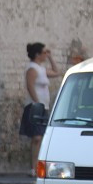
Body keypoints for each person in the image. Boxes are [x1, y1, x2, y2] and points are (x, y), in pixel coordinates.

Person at [19, 42, 60, 175]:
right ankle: (33, 167)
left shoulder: (41, 69)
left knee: (41, 137)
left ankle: (38, 166)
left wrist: (50, 57)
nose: (45, 55)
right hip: (34, 106)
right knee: (36, 137)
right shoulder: (32, 69)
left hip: (44, 106)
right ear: (37, 54)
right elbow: (30, 86)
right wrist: (36, 102)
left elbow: (56, 72)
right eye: (44, 53)